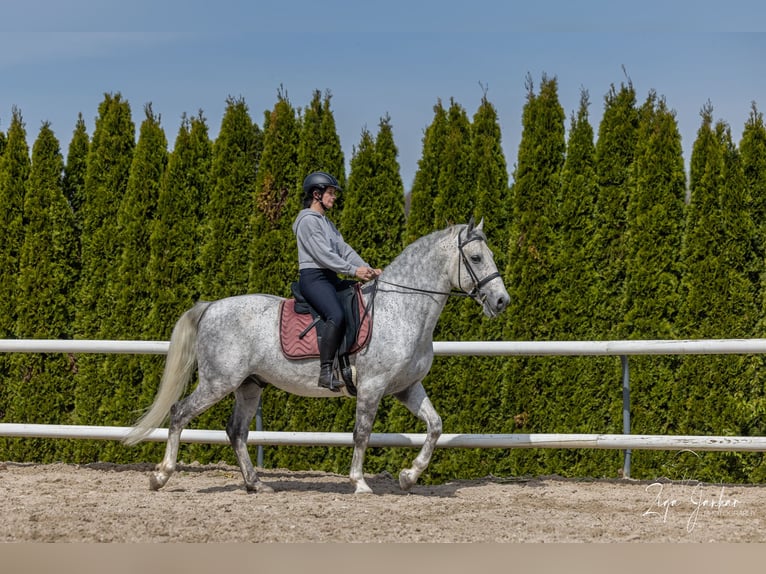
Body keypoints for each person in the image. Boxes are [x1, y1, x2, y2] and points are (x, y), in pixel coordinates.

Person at [292, 171, 382, 391]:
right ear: (316, 194)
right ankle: (325, 371)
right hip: (314, 279)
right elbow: (324, 256)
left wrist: (367, 269)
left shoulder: (326, 223)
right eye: (330, 193)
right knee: (336, 314)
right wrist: (354, 271)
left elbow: (344, 250)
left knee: (360, 298)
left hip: (329, 277)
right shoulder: (307, 222)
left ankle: (348, 362)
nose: (333, 197)